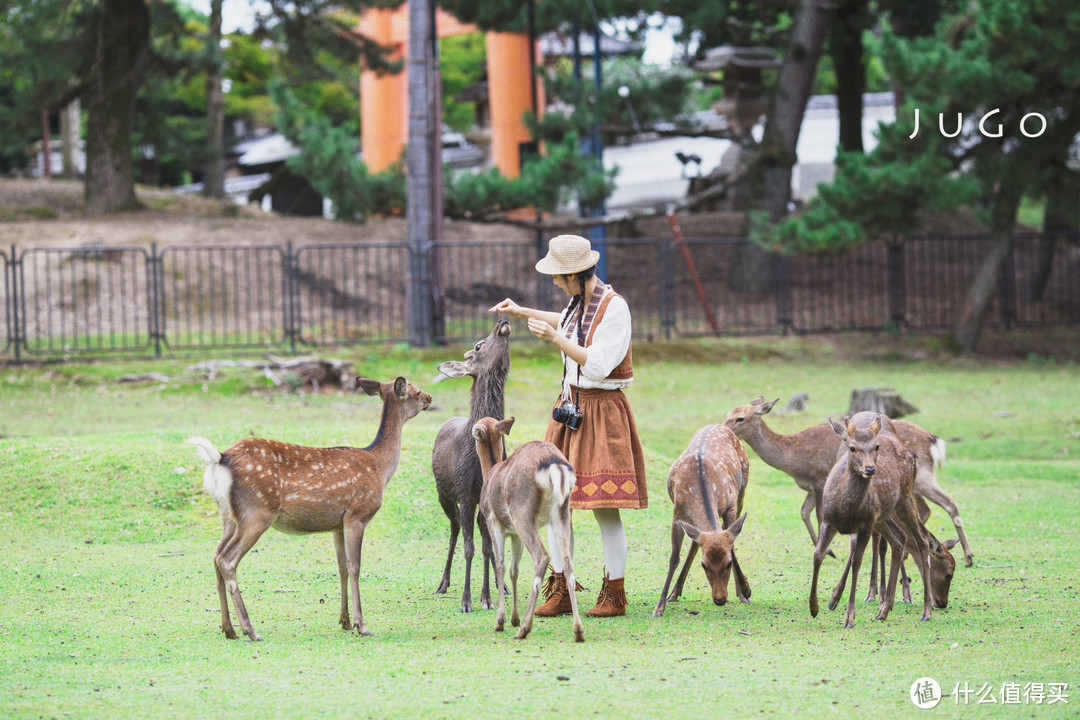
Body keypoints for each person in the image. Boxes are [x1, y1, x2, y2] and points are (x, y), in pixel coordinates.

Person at [489, 234, 647, 617]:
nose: (555, 284)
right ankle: (561, 586)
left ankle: (614, 593)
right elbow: (564, 321)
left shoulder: (615, 308)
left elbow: (596, 364)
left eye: (559, 277)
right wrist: (525, 312)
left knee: (604, 508)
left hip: (602, 412)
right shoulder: (579, 303)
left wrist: (557, 339)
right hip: (570, 410)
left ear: (577, 275)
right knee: (556, 500)